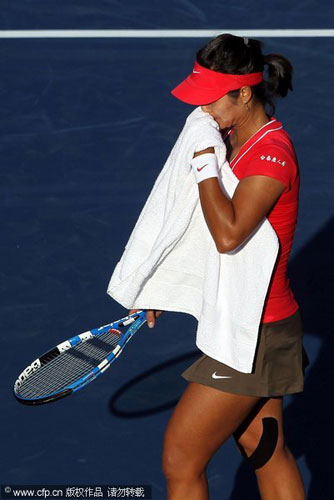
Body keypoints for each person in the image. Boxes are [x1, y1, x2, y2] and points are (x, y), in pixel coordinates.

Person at [129, 33, 309, 500]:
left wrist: (205, 161)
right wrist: (164, 284)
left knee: (180, 459)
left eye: (210, 99)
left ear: (244, 93)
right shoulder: (233, 136)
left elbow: (228, 235)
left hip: (255, 335)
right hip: (254, 325)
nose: (202, 111)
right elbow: (200, 228)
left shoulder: (270, 157)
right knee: (266, 450)